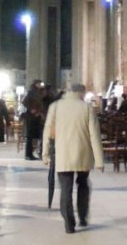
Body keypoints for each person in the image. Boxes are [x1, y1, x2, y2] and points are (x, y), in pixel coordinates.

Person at [44, 83, 104, 234]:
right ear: (81, 93)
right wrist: (99, 160)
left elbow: (47, 132)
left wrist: (45, 154)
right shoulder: (86, 108)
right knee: (83, 185)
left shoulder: (55, 107)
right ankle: (82, 217)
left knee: (66, 188)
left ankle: (69, 224)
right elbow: (94, 135)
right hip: (82, 153)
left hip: (62, 154)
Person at [23, 80, 46, 161]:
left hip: (37, 117)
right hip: (31, 117)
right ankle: (28, 154)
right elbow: (25, 102)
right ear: (36, 84)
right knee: (30, 137)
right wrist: (32, 109)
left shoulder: (40, 92)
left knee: (34, 137)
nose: (41, 85)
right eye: (39, 84)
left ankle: (31, 154)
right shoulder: (31, 92)